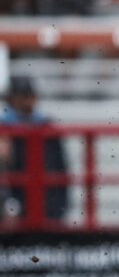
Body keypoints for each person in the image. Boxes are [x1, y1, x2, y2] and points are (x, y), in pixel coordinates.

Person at [1, 77, 69, 222]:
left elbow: (60, 167)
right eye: (22, 96)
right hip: (15, 202)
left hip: (47, 203)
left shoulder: (46, 127)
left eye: (29, 95)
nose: (27, 101)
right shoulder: (5, 129)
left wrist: (60, 206)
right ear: (11, 99)